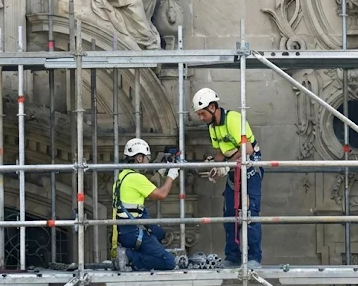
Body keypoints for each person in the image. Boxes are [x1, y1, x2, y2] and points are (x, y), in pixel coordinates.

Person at [192, 87, 263, 269]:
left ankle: (254, 258)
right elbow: (219, 152)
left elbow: (247, 150)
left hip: (250, 167)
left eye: (202, 113)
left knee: (249, 213)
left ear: (213, 107)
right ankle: (233, 257)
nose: (201, 117)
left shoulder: (233, 119)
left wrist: (227, 164)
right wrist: (215, 166)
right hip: (234, 168)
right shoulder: (213, 127)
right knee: (230, 214)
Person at [112, 138, 180, 272]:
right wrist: (171, 175)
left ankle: (130, 257)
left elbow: (147, 185)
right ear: (139, 158)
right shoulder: (136, 178)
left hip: (124, 231)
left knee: (159, 233)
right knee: (169, 262)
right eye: (147, 158)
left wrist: (160, 171)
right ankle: (128, 257)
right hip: (133, 232)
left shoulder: (123, 176)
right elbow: (161, 194)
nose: (148, 162)